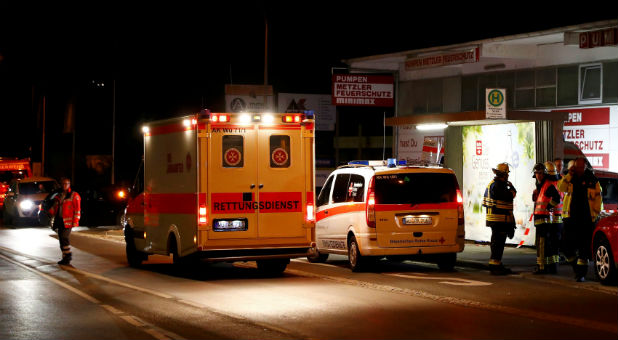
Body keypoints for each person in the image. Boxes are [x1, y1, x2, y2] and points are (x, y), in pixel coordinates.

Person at [557, 157, 602, 282]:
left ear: (586, 167)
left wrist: (595, 215)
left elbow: (598, 199)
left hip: (586, 220)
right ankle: (576, 267)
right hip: (571, 219)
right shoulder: (570, 178)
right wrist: (569, 174)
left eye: (581, 167)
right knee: (566, 247)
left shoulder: (592, 180)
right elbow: (560, 187)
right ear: (574, 167)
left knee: (584, 250)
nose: (579, 169)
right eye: (577, 167)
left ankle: (580, 274)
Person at [483, 163, 517, 275]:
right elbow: (508, 197)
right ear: (504, 174)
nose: (507, 176)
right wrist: (512, 189)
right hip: (499, 219)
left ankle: (495, 264)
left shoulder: (494, 184)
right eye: (506, 174)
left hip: (497, 219)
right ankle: (495, 265)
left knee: (497, 243)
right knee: (498, 243)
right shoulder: (498, 185)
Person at [531, 162, 562, 274]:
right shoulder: (542, 186)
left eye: (540, 173)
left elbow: (556, 198)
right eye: (536, 173)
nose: (538, 175)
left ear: (544, 174)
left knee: (543, 244)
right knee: (543, 245)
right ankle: (547, 267)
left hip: (544, 220)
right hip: (540, 220)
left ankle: (542, 267)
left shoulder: (548, 185)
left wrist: (549, 206)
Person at [47, 177, 81, 265]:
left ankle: (68, 255)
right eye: (63, 184)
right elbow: (55, 207)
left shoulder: (74, 195)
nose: (64, 185)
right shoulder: (59, 195)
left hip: (68, 221)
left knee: (64, 237)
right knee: (61, 240)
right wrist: (49, 213)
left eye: (66, 183)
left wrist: (76, 220)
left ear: (69, 184)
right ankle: (65, 257)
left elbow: (77, 209)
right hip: (59, 220)